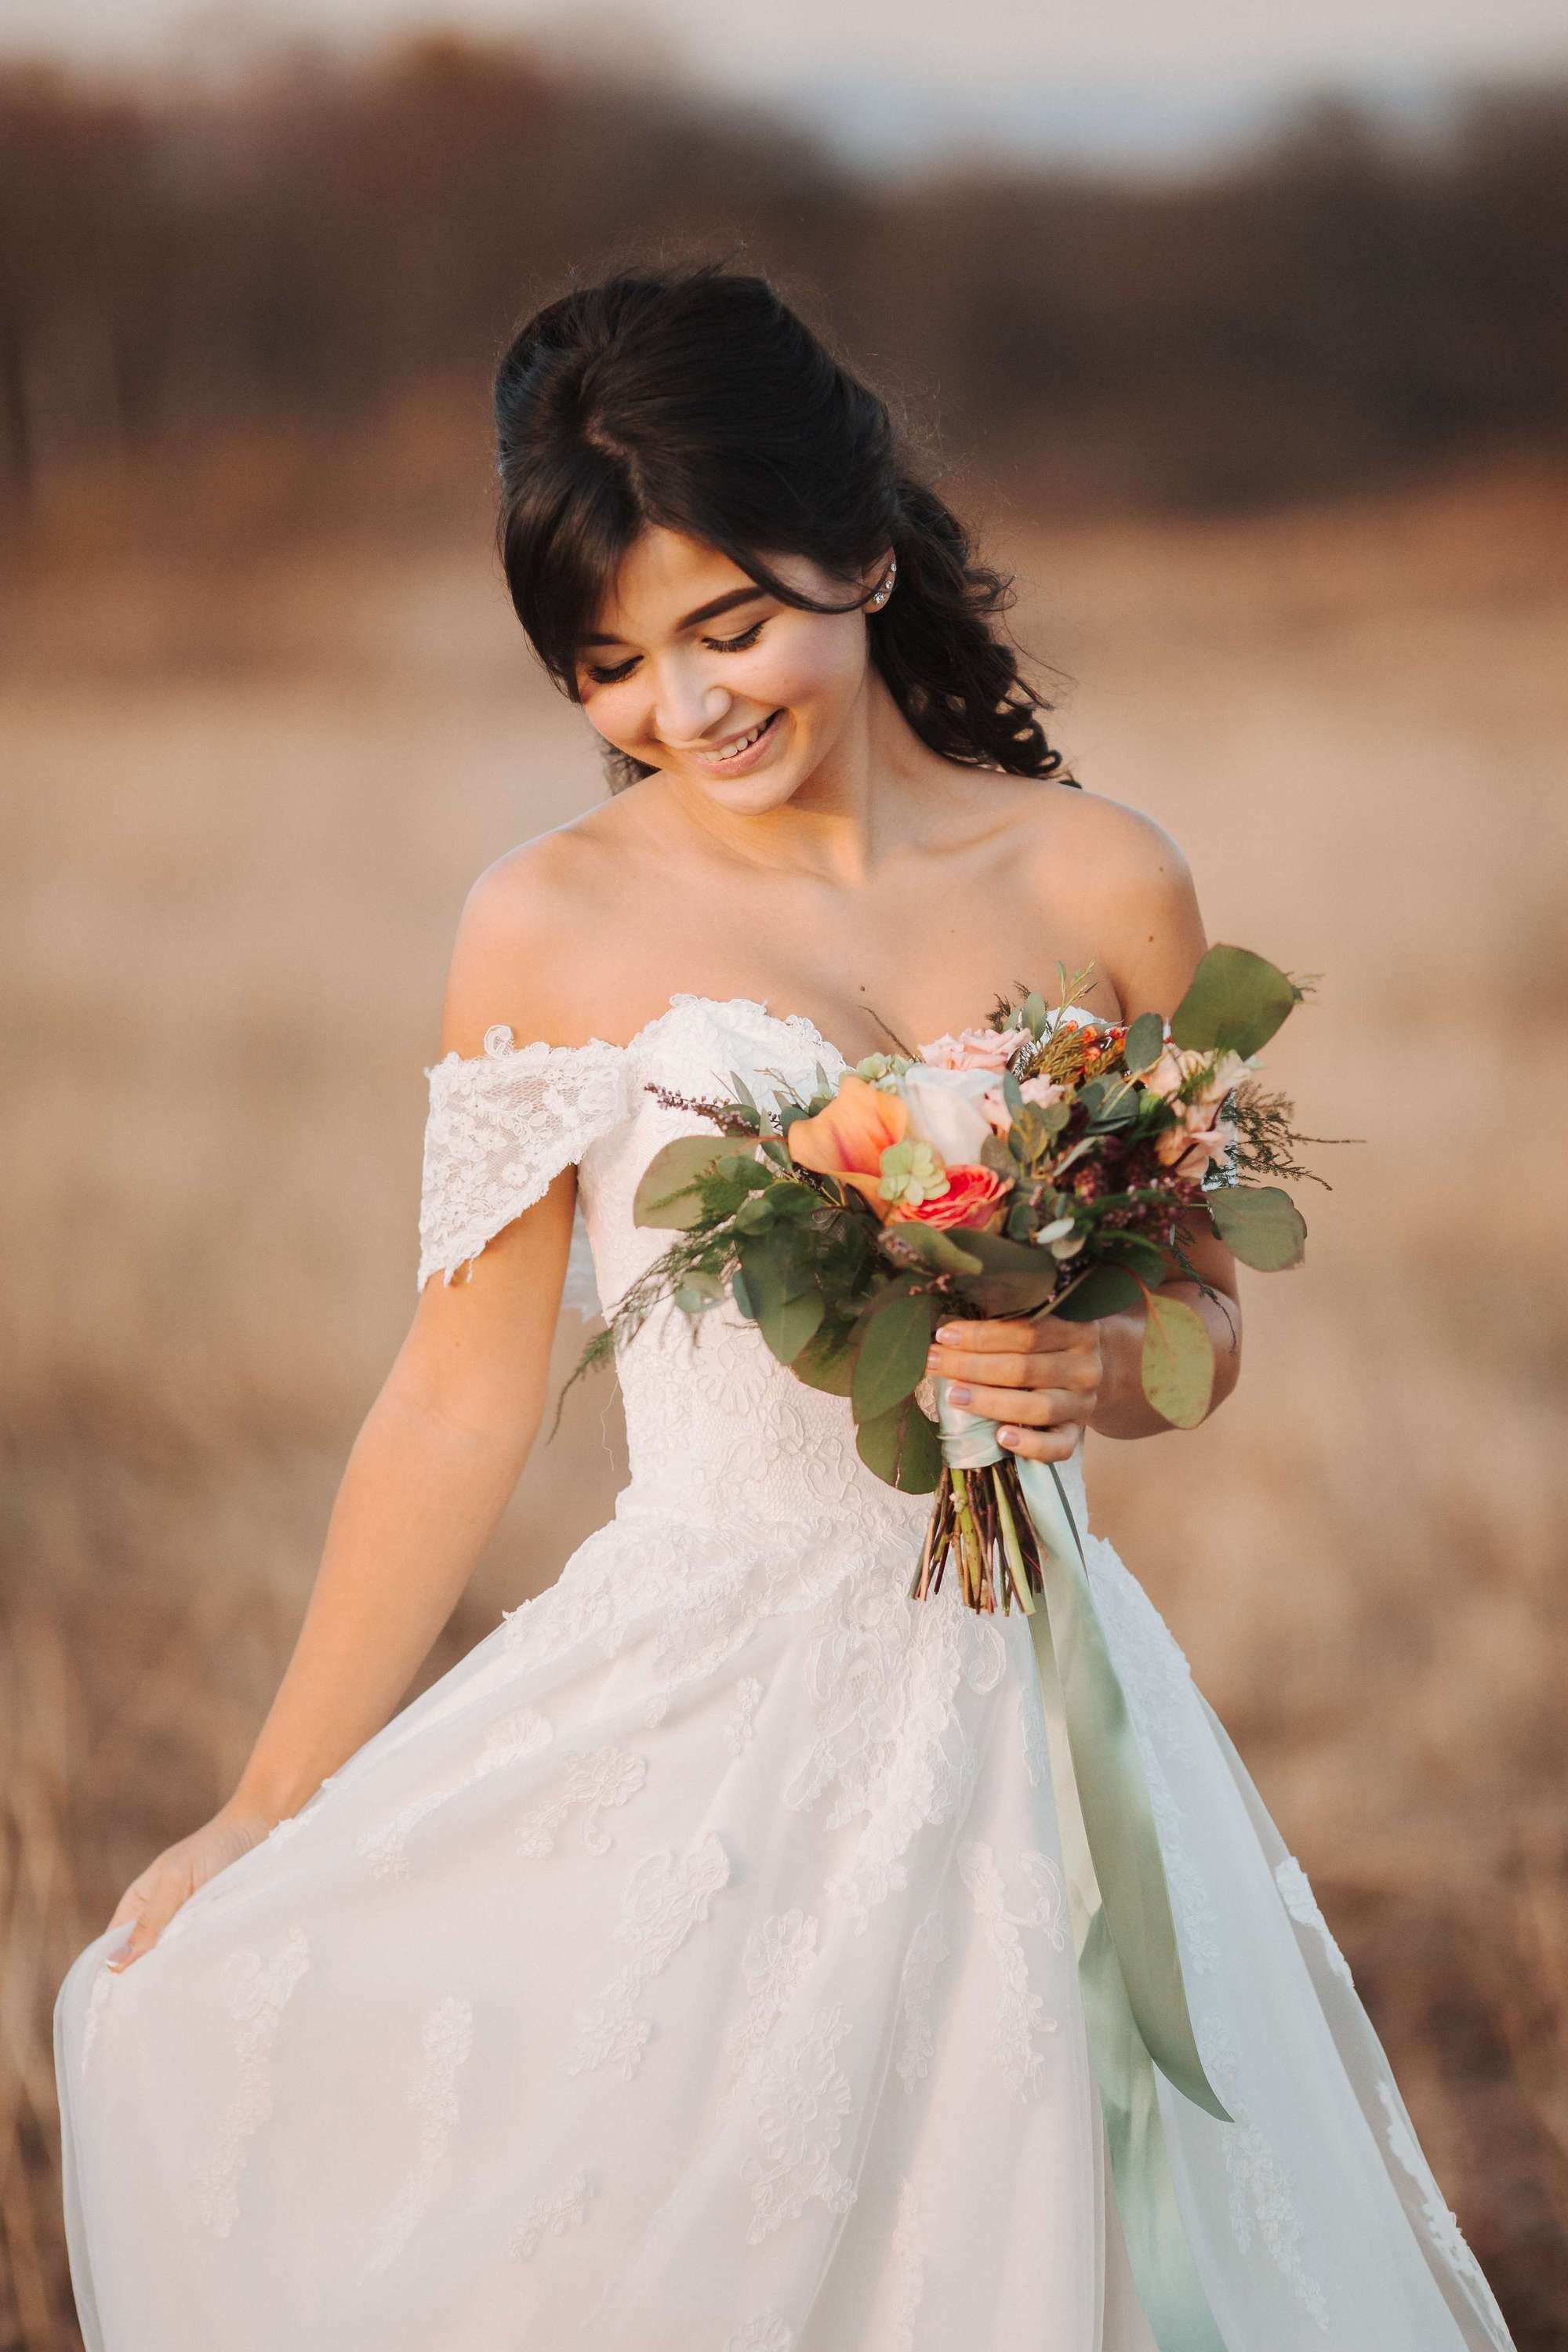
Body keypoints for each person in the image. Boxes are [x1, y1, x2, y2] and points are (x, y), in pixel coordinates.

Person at [53, 260, 1516, 2351]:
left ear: (862, 548)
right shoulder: (544, 924)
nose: (685, 703)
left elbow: (1205, 1323)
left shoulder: (1105, 883)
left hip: (1046, 1714)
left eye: (728, 625)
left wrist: (1096, 1369)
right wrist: (268, 1801)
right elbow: (459, 1397)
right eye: (611, 662)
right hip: (699, 1707)